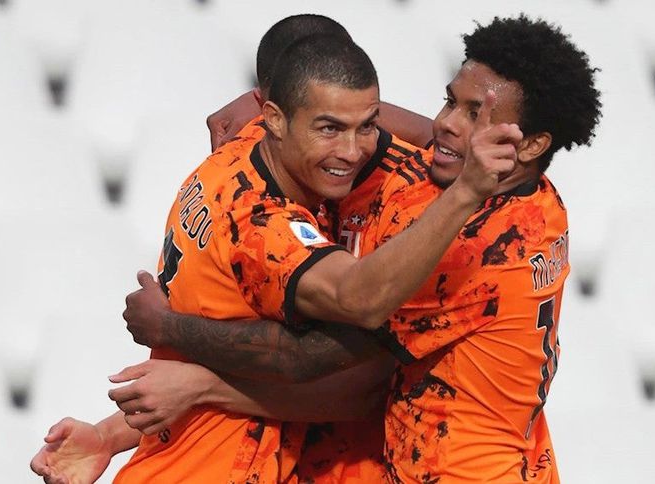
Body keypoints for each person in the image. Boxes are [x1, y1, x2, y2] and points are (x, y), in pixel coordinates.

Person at [120, 15, 601, 483]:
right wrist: (277, 96)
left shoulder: (475, 244)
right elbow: (421, 137)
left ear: (532, 145)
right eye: (449, 102)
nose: (445, 124)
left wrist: (169, 329)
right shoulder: (538, 202)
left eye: (474, 114)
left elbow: (310, 359)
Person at [30, 28, 520, 484]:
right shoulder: (265, 229)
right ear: (276, 118)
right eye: (330, 128)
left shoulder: (236, 156)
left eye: (367, 126)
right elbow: (350, 343)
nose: (353, 151)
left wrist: (112, 432)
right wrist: (466, 192)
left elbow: (210, 356)